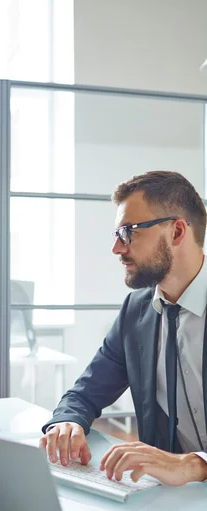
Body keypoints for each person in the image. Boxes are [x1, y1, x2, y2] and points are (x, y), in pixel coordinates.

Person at [40, 171, 207, 486]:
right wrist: (65, 423)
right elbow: (86, 392)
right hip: (171, 501)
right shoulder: (136, 311)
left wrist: (194, 465)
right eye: (117, 234)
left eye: (129, 232)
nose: (117, 248)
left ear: (177, 231)